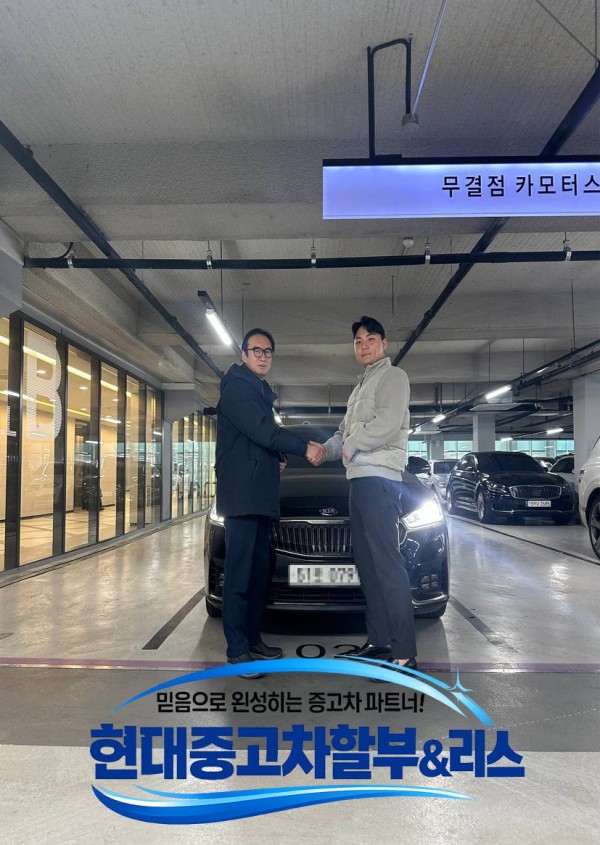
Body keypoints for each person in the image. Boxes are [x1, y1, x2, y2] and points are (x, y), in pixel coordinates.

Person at [216, 327, 325, 677]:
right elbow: (262, 431)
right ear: (244, 355)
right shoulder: (237, 388)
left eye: (268, 351)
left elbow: (256, 438)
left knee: (257, 573)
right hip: (243, 498)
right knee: (239, 576)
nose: (263, 356)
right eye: (256, 350)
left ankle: (252, 639)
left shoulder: (258, 391)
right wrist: (304, 447)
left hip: (259, 496)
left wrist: (276, 456)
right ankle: (236, 651)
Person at [319, 316, 417, 672]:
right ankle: (379, 642)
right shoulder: (359, 387)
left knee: (387, 565)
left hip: (380, 479)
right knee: (369, 566)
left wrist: (350, 444)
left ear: (384, 344)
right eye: (358, 341)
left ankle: (404, 653)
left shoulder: (394, 377)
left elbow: (386, 425)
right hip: (359, 480)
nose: (364, 346)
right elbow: (342, 434)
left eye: (370, 339)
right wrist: (324, 450)